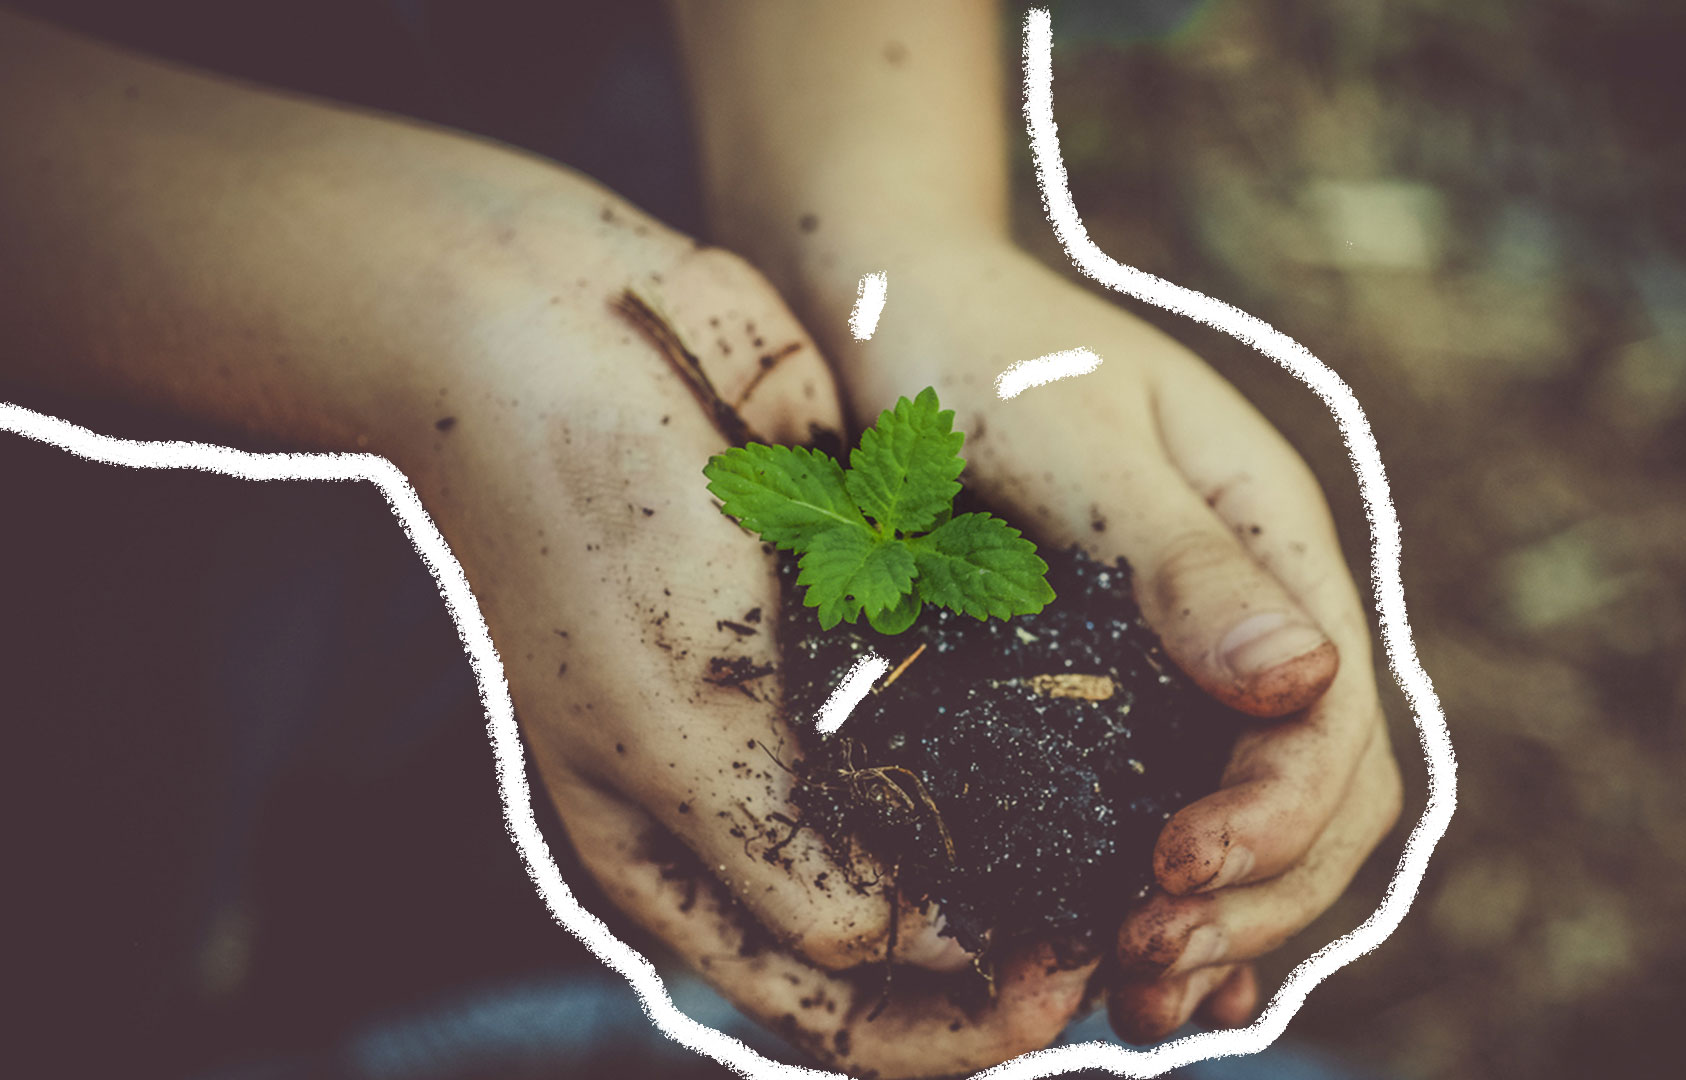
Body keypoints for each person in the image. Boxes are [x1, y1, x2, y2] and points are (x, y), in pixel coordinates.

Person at [0, 3, 1402, 1076]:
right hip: (61, 426)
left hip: (606, 205)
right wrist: (455, 299)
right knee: (83, 898)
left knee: (540, 809)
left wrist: (883, 223)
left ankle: (465, 984)